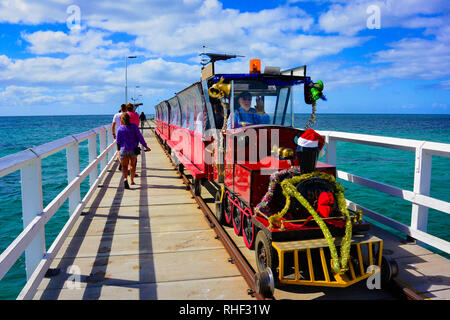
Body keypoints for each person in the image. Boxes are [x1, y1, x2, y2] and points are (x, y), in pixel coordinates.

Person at [116, 112, 151, 189]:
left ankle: (125, 179)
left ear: (121, 120)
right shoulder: (134, 127)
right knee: (132, 166)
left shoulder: (120, 129)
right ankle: (131, 180)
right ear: (129, 119)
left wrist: (118, 150)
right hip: (133, 149)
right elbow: (140, 137)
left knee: (124, 167)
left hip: (123, 150)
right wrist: (146, 146)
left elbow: (118, 141)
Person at [112, 104, 127, 171]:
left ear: (121, 108)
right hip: (126, 134)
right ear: (125, 109)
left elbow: (113, 125)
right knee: (126, 149)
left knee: (118, 150)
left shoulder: (116, 115)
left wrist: (113, 133)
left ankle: (121, 162)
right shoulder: (127, 115)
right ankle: (123, 163)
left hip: (119, 134)